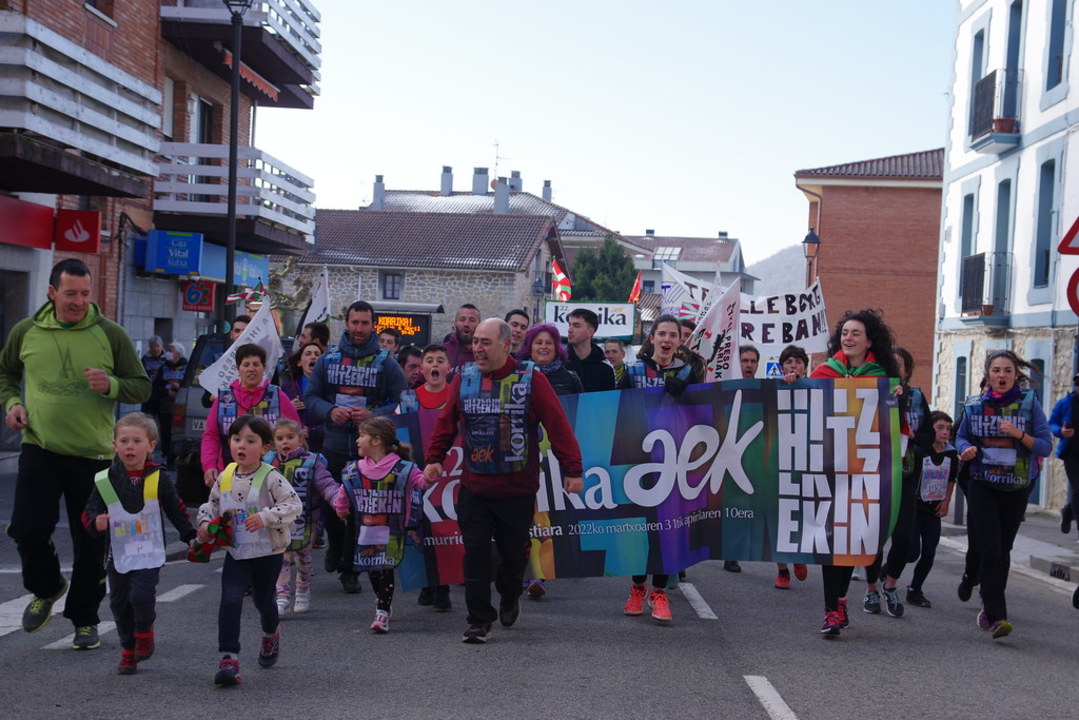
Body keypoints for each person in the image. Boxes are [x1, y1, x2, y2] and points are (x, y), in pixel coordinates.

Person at [0, 258, 151, 650]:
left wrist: (112, 384)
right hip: (39, 446)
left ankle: (85, 620)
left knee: (91, 541)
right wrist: (12, 403)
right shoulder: (26, 331)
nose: (79, 301)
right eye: (70, 294)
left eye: (85, 293)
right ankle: (48, 586)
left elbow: (142, 386)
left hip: (94, 456)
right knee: (27, 529)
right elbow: (6, 374)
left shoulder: (110, 334)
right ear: (52, 293)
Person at [423, 318, 583, 643]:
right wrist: (434, 459)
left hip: (517, 489)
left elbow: (557, 425)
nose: (477, 349)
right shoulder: (463, 378)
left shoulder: (532, 379)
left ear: (506, 345)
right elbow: (446, 422)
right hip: (475, 487)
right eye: (475, 342)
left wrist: (573, 470)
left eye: (485, 342)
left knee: (513, 556)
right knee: (476, 552)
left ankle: (510, 596)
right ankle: (478, 620)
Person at [303, 300, 407, 594]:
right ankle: (336, 547)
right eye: (355, 322)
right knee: (332, 506)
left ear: (373, 325)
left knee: (360, 512)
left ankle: (349, 569)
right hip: (334, 446)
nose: (359, 328)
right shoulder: (328, 359)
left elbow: (403, 402)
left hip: (370, 451)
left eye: (364, 323)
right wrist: (329, 411)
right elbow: (310, 397)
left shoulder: (386, 362)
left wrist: (374, 415)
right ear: (346, 324)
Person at [83, 412, 196, 675]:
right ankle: (127, 648)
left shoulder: (158, 477)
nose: (129, 447)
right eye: (124, 441)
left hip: (149, 551)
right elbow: (89, 511)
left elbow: (176, 509)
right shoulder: (106, 479)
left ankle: (144, 629)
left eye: (136, 441)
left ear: (151, 445)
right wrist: (96, 523)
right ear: (114, 445)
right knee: (119, 602)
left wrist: (189, 535)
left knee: (141, 595)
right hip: (118, 554)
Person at [810, 309, 900, 636]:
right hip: (827, 468)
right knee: (829, 538)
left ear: (869, 341)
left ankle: (840, 600)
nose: (848, 338)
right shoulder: (823, 372)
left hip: (864, 473)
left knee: (851, 538)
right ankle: (830, 610)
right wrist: (791, 384)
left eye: (856, 333)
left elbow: (896, 428)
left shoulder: (882, 378)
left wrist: (897, 401)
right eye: (845, 333)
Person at [197, 415, 301, 686]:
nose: (241, 445)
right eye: (236, 439)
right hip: (237, 552)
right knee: (230, 599)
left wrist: (266, 517)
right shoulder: (225, 475)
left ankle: (270, 633)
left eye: (250, 441)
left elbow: (293, 505)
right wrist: (205, 523)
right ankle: (229, 658)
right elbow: (212, 505)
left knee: (264, 600)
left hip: (268, 552)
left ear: (265, 448)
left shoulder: (271, 477)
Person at [955, 349, 1051, 639]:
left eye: (1007, 370)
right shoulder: (975, 406)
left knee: (1003, 549)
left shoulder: (1029, 404)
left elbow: (1046, 446)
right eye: (996, 370)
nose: (1002, 375)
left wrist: (1018, 434)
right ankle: (997, 616)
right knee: (991, 549)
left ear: (1015, 375)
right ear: (988, 375)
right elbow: (961, 437)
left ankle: (988, 604)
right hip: (982, 483)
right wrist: (965, 449)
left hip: (1016, 487)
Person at [618, 314, 704, 623]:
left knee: (668, 528)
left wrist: (689, 392)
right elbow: (615, 408)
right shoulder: (632, 371)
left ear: (679, 341)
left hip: (674, 461)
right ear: (652, 337)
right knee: (641, 528)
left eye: (672, 335)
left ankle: (659, 591)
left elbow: (702, 415)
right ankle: (637, 587)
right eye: (662, 334)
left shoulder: (688, 372)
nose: (667, 340)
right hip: (638, 461)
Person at [333, 417, 428, 633]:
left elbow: (421, 482)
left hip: (392, 527)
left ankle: (382, 611)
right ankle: (381, 599)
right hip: (366, 526)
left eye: (361, 436)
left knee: (385, 566)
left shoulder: (403, 468)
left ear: (376, 440)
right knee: (372, 565)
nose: (357, 440)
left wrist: (431, 475)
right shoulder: (355, 468)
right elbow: (345, 489)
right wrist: (341, 507)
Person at [861, 346, 933, 618]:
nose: (893, 368)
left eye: (899, 364)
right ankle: (871, 588)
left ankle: (890, 585)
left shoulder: (917, 398)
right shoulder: (870, 393)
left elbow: (929, 437)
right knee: (874, 538)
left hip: (905, 477)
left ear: (907, 371)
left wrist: (914, 437)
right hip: (876, 477)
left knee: (904, 539)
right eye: (888, 363)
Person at [398, 343, 454, 610]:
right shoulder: (409, 399)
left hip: (450, 470)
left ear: (448, 368)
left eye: (440, 360)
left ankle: (443, 586)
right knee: (420, 526)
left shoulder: (457, 395)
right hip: (418, 472)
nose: (435, 365)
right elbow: (399, 432)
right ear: (421, 369)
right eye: (430, 360)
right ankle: (426, 582)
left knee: (445, 527)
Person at [201, 343, 301, 488]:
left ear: (264, 367)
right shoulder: (223, 399)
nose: (251, 369)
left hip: (270, 478)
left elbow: (295, 433)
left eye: (256, 364)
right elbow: (211, 436)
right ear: (237, 368)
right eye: (246, 364)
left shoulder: (277, 396)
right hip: (229, 474)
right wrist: (209, 465)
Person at [264, 419, 336, 615]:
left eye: (290, 437)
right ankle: (282, 597)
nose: (285, 442)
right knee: (281, 557)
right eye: (280, 438)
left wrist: (338, 500)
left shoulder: (312, 462)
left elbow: (326, 484)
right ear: (274, 442)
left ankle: (303, 591)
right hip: (279, 520)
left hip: (306, 520)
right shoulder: (269, 463)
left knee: (302, 558)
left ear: (300, 438)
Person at [905, 410, 959, 609]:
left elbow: (952, 478)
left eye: (948, 429)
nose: (945, 432)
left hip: (932, 509)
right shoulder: (920, 449)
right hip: (915, 506)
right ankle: (888, 571)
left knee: (929, 552)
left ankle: (915, 589)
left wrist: (946, 501)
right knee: (911, 552)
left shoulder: (951, 453)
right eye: (940, 428)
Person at [723, 344, 763, 574]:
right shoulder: (724, 386)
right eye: (744, 361)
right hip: (723, 453)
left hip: (751, 456)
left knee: (741, 506)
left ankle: (732, 554)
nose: (748, 365)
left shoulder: (763, 389)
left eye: (752, 361)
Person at [773, 345, 810, 590]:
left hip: (805, 460)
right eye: (788, 362)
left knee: (801, 514)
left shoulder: (817, 388)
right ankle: (782, 570)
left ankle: (798, 554)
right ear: (781, 366)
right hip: (778, 461)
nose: (793, 365)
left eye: (798, 361)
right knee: (777, 516)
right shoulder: (773, 388)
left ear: (805, 367)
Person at [1048, 375, 1079, 542]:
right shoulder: (1065, 403)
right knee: (1078, 489)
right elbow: (1051, 424)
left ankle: (1068, 511)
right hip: (1072, 454)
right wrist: (1061, 431)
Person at [281, 342, 325, 452]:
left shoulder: (330, 386)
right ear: (299, 363)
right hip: (294, 447)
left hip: (322, 447)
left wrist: (313, 432)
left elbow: (336, 422)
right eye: (308, 354)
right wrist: (289, 407)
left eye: (317, 354)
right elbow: (278, 417)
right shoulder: (288, 385)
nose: (313, 357)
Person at [518, 323, 584, 396]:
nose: (544, 347)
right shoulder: (518, 376)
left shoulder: (570, 378)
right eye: (539, 343)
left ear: (556, 348)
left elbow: (582, 403)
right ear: (530, 348)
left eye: (549, 343)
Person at [566, 308, 616, 392]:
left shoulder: (605, 370)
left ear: (590, 332)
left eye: (576, 326)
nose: (569, 330)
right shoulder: (560, 365)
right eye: (569, 325)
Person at [155, 341, 187, 468]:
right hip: (166, 407)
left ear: (178, 354)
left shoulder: (187, 367)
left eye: (170, 351)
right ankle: (167, 457)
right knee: (166, 432)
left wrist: (179, 386)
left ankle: (177, 457)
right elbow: (156, 387)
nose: (167, 353)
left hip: (181, 406)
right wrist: (166, 391)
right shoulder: (163, 368)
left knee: (178, 433)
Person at [444, 303, 480, 369]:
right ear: (455, 324)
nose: (466, 324)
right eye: (462, 319)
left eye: (472, 320)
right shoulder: (442, 352)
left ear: (479, 325)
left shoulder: (486, 353)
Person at [141, 336, 166, 418]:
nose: (155, 349)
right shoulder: (145, 359)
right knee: (147, 418)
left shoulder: (167, 358)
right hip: (149, 395)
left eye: (157, 346)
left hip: (163, 395)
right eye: (153, 346)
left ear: (162, 346)